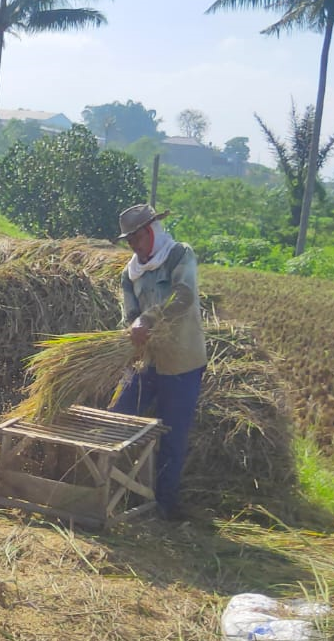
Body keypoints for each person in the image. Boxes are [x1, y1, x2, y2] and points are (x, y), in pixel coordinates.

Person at [107, 204, 207, 522]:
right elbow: (129, 314)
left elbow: (183, 296)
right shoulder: (130, 273)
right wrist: (133, 326)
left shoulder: (179, 255)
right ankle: (112, 493)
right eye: (129, 242)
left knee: (171, 435)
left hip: (182, 362)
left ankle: (163, 508)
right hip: (145, 362)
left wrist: (148, 319)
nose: (134, 246)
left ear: (151, 232)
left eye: (137, 239)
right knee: (118, 418)